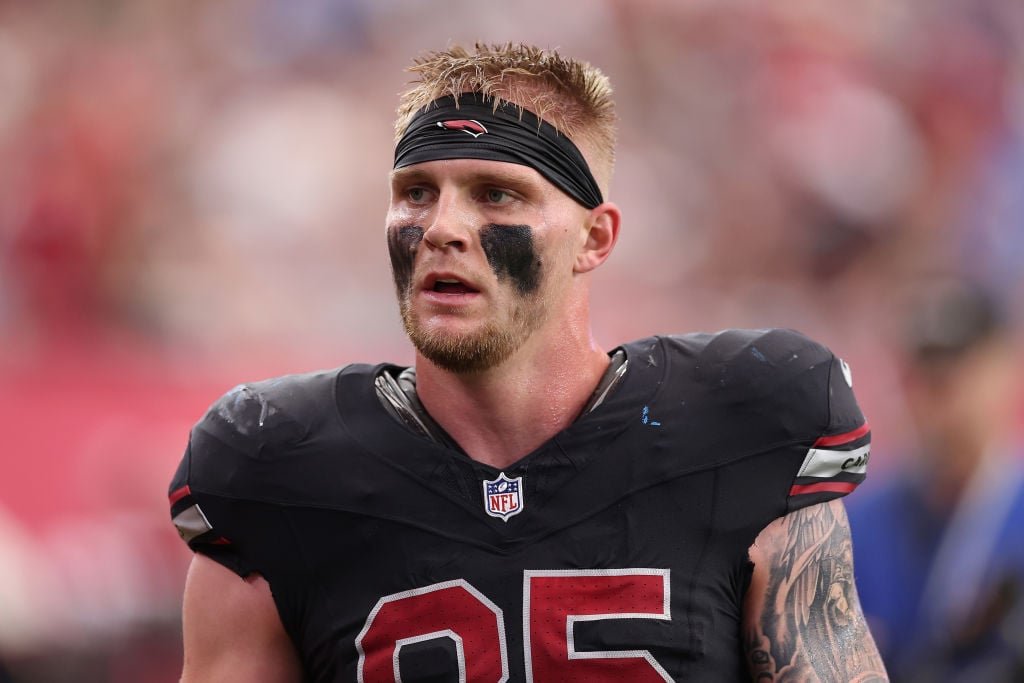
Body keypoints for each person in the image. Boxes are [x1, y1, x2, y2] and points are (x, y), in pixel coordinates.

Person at [169, 43, 887, 681]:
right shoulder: (276, 468)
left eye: (495, 194)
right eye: (417, 192)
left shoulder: (745, 427)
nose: (441, 228)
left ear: (594, 239)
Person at [848, 280, 1024, 682]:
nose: (938, 401)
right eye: (922, 379)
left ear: (1003, 371)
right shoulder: (864, 523)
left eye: (954, 375)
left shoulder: (1014, 508)